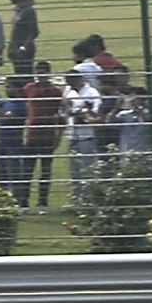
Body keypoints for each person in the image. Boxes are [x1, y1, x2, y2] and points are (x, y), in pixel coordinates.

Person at [19, 61, 64, 209]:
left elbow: (61, 114)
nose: (41, 74)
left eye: (44, 71)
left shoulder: (56, 92)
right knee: (27, 171)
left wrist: (58, 136)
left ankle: (42, 202)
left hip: (47, 135)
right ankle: (23, 202)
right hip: (32, 134)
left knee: (45, 171)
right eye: (39, 71)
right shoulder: (29, 88)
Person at [62, 69, 102, 203]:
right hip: (72, 134)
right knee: (75, 171)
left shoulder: (91, 93)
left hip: (87, 135)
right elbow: (64, 112)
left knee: (88, 169)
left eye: (71, 82)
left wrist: (77, 112)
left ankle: (88, 200)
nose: (69, 84)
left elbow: (94, 113)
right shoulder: (68, 92)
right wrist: (72, 111)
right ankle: (76, 200)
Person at [0, 75, 31, 203]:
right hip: (1, 144)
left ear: (17, 89)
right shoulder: (6, 103)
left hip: (13, 146)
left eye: (8, 87)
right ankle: (2, 201)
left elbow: (6, 117)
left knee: (13, 176)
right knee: (1, 176)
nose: (6, 89)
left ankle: (17, 202)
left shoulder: (21, 105)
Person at [114, 87, 152, 163]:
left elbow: (148, 125)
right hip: (126, 151)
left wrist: (139, 111)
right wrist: (116, 107)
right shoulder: (124, 114)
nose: (131, 101)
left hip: (144, 152)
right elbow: (108, 122)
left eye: (135, 98)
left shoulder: (150, 114)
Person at [7, 0, 40, 73]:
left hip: (24, 50)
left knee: (25, 73)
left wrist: (23, 48)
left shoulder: (28, 11)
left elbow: (34, 32)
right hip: (15, 49)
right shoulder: (18, 11)